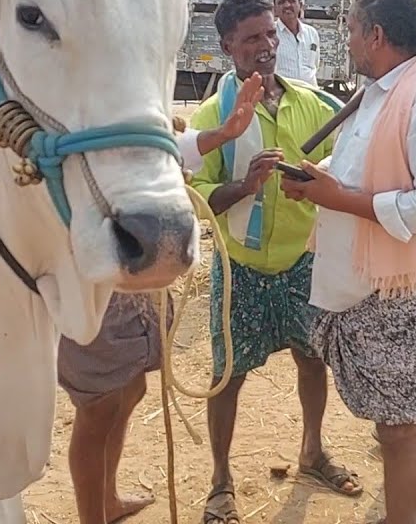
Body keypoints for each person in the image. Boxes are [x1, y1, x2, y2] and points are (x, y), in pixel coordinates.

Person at [283, 0, 416, 524]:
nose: (348, 40)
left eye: (351, 30)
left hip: (402, 297)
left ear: (376, 35)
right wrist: (323, 184)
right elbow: (361, 179)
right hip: (371, 288)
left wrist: (337, 197)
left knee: (401, 425)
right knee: (394, 424)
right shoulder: (380, 95)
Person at [57, 74, 265, 524]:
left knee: (130, 388)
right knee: (98, 405)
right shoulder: (76, 100)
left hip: (137, 282)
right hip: (96, 275)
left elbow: (170, 144)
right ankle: (93, 515)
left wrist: (225, 133)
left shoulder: (130, 94)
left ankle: (107, 501)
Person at [190, 0, 359, 524]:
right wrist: (245, 186)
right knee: (228, 374)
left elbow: (350, 158)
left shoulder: (316, 105)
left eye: (269, 35)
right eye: (251, 39)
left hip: (303, 262)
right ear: (226, 47)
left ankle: (312, 450)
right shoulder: (213, 117)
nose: (265, 46)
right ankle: (221, 481)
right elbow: (201, 199)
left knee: (313, 360)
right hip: (241, 266)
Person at [272, 0, 320, 85]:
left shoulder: (312, 33)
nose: (287, 5)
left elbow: (315, 65)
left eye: (291, 1)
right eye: (281, 2)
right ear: (275, 9)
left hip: (310, 95)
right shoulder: (270, 34)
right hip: (284, 97)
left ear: (300, 5)